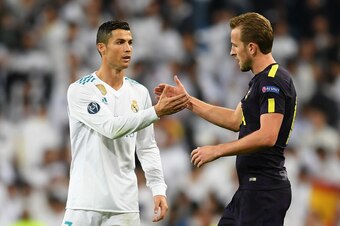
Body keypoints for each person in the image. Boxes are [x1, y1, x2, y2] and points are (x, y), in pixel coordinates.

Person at [155, 12, 297, 226]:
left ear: (251, 48)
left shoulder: (272, 82)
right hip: (250, 189)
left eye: (235, 45)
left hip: (264, 190)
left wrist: (218, 150)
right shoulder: (260, 81)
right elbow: (233, 119)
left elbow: (268, 135)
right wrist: (187, 101)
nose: (231, 52)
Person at [62, 20, 189, 226]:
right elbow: (110, 128)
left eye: (130, 42)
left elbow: (147, 146)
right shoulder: (81, 89)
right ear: (101, 48)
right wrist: (156, 111)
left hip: (125, 207)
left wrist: (158, 188)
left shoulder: (139, 92)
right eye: (120, 42)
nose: (128, 48)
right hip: (85, 203)